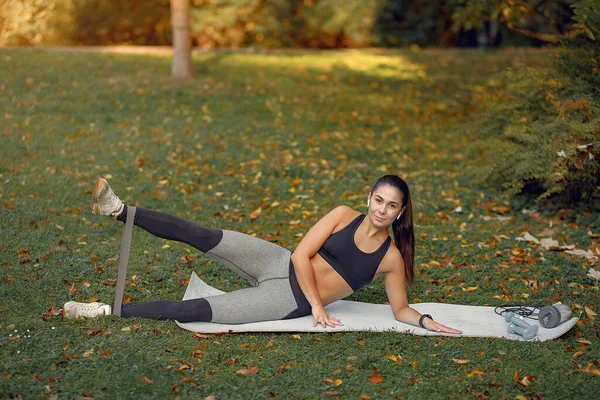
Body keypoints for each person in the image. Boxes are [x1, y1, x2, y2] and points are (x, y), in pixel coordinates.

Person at [64, 175, 461, 334]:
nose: (381, 209)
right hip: (278, 261)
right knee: (202, 234)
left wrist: (427, 320)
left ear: (400, 212)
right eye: (378, 199)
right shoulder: (343, 215)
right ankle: (116, 208)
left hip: (286, 300)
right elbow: (302, 255)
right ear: (369, 198)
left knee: (196, 312)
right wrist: (319, 306)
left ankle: (101, 310)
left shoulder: (391, 258)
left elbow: (400, 310)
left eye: (391, 205)